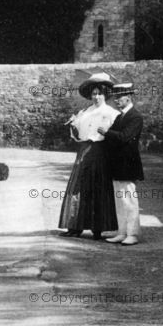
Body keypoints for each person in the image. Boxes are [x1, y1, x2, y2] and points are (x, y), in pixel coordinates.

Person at [58, 72, 119, 240]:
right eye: (94, 93)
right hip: (83, 150)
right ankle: (75, 226)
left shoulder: (112, 113)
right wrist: (74, 126)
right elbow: (77, 135)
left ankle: (97, 228)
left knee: (97, 187)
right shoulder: (84, 112)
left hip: (99, 152)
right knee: (78, 187)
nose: (96, 97)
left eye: (99, 93)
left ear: (105, 94)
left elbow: (115, 136)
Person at [97, 83, 144, 246]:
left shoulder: (135, 117)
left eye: (119, 97)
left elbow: (124, 137)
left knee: (129, 200)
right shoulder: (120, 116)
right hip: (117, 164)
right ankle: (122, 232)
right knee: (120, 200)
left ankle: (133, 233)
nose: (116, 100)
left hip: (128, 164)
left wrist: (106, 132)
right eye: (115, 97)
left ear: (128, 98)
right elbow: (113, 137)